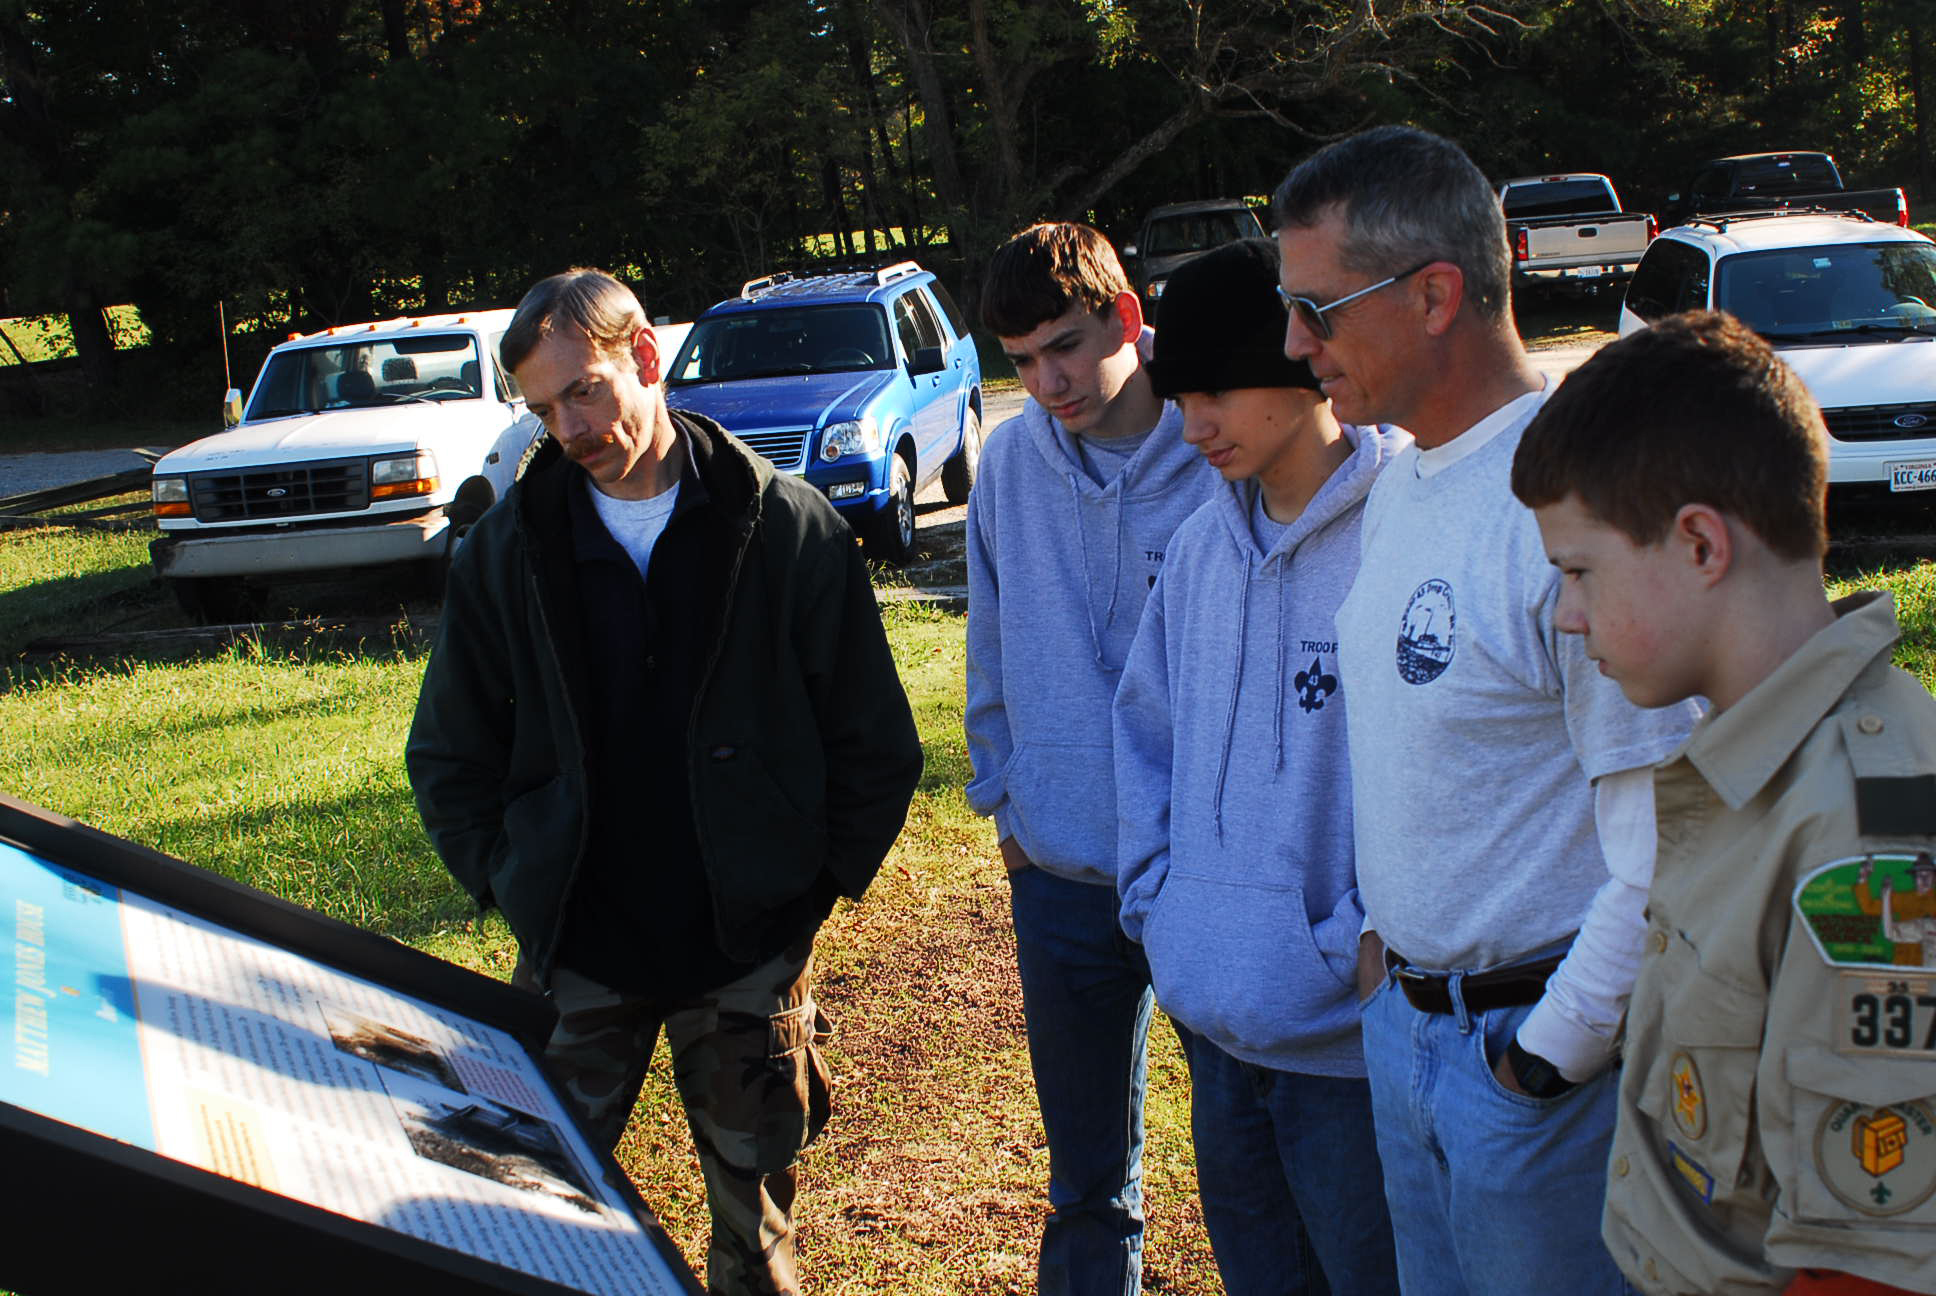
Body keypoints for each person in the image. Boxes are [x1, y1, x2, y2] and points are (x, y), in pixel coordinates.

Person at [405, 269, 923, 1296]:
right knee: (523, 1216)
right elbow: (449, 754)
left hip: (743, 949)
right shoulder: (508, 552)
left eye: (583, 391)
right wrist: (516, 884)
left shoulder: (786, 526)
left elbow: (874, 742)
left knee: (755, 1244)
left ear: (645, 356)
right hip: (580, 949)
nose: (569, 428)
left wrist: (801, 894)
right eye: (544, 410)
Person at [1272, 125, 1701, 1296]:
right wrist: (1388, 976)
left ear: (1433, 297)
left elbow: (1670, 842)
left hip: (1538, 1067)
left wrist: (1545, 1062)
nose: (1294, 342)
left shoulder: (1574, 499)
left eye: (1315, 309)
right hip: (1411, 1034)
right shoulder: (1400, 478)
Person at [1511, 310, 1936, 1296]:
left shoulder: (1865, 832)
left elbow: (1867, 1259)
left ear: (1701, 544)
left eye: (1578, 571)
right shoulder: (1748, 759)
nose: (1565, 616)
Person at [1112, 238, 1404, 1295]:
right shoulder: (1198, 549)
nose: (1192, 425)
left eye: (1217, 392)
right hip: (1215, 1028)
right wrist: (1161, 907)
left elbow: (1433, 772)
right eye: (1180, 396)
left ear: (1301, 365)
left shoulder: (1398, 531)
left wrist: (1351, 938)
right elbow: (1143, 734)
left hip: (1344, 1050)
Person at [965, 221, 1218, 1295]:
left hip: (1208, 875)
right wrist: (1010, 816)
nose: (1046, 382)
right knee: (1085, 1186)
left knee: (1250, 1166)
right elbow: (987, 640)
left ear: (1125, 317)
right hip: (1061, 875)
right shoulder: (1010, 460)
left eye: (1064, 346)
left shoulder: (1219, 440)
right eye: (1021, 361)